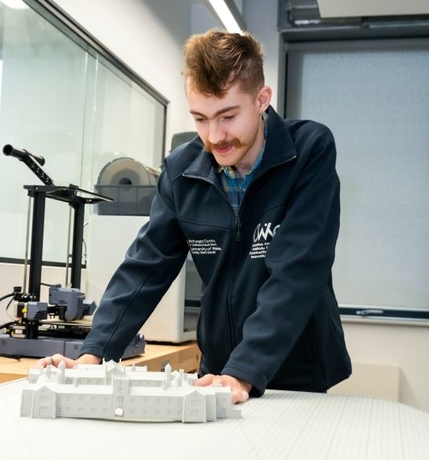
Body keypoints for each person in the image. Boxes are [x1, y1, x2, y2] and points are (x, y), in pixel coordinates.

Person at [35, 29, 351, 404]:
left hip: (296, 369)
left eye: (228, 116)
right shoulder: (181, 170)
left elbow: (297, 270)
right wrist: (93, 355)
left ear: (261, 100)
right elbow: (146, 266)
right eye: (200, 119)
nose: (214, 136)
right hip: (218, 370)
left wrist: (244, 372)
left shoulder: (308, 151)